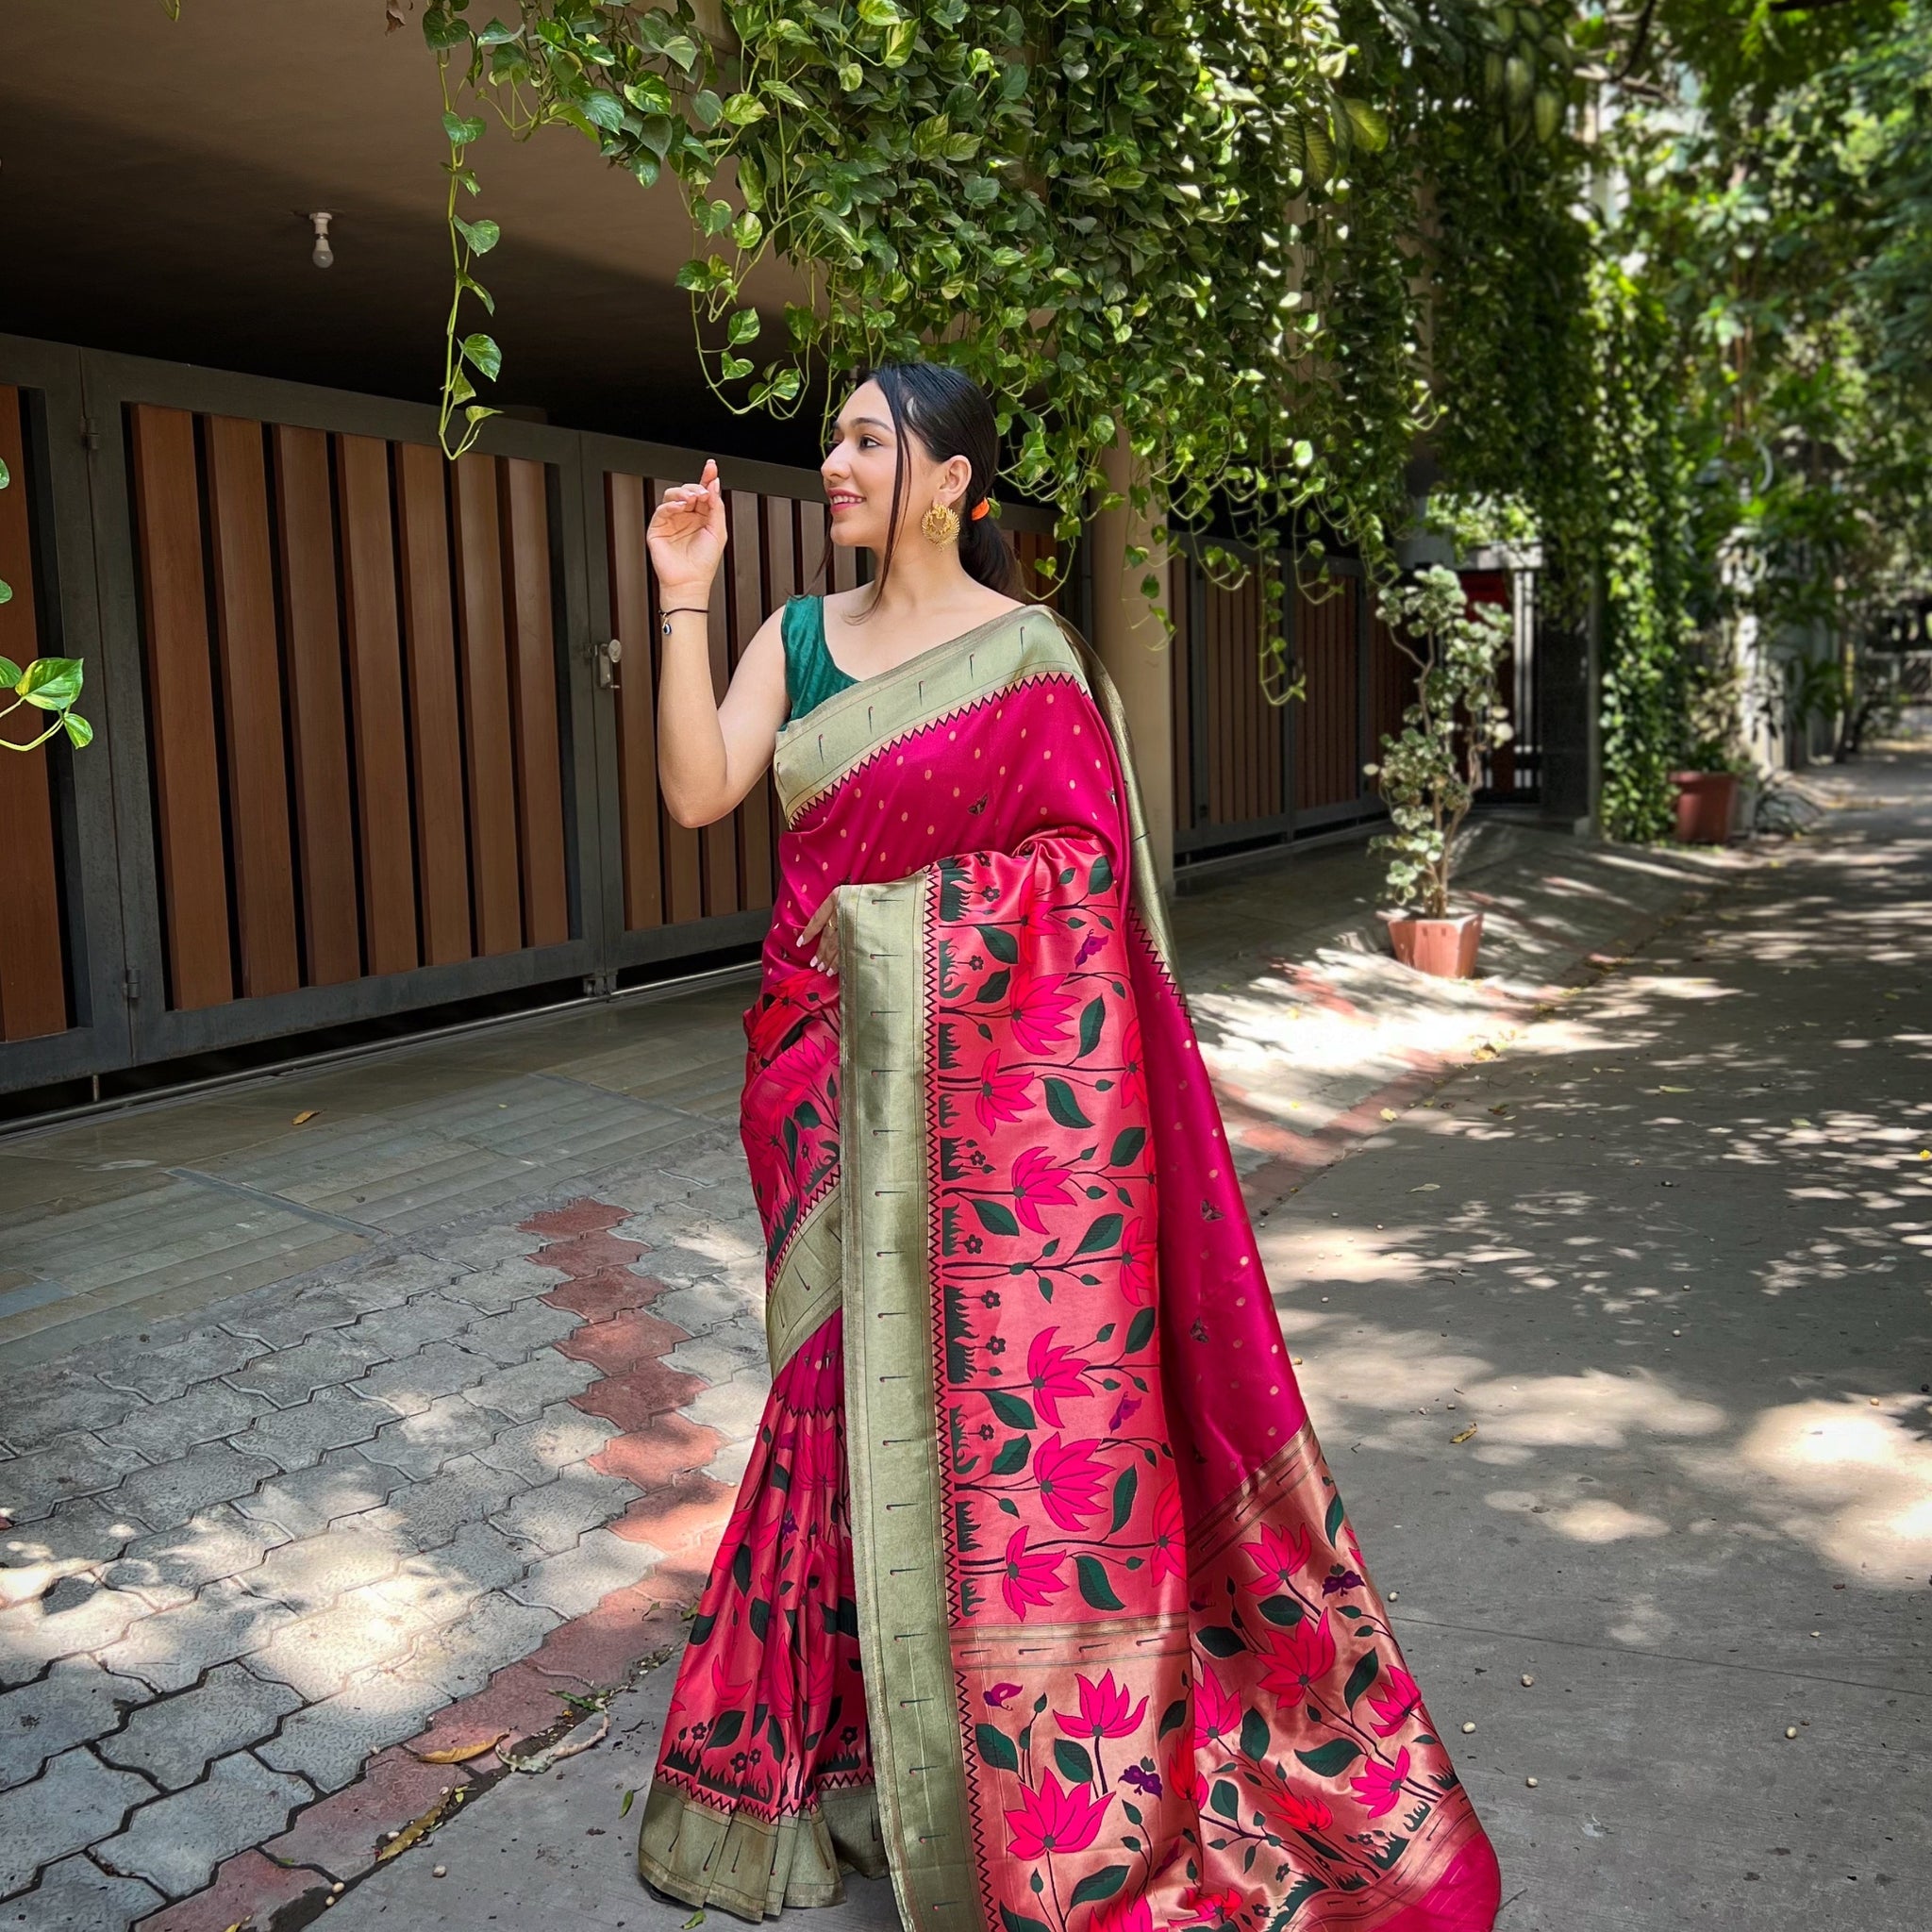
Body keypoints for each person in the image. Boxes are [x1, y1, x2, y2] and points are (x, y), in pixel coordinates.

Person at [636, 362, 1500, 1932]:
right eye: (830, 438)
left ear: (953, 481)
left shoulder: (1030, 662)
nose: (831, 462)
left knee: (947, 1403)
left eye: (865, 440)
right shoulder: (795, 639)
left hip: (980, 1102)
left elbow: (1084, 887)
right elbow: (702, 791)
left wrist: (909, 936)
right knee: (829, 1390)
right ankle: (844, 1750)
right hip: (817, 1072)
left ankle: (973, 1769)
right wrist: (685, 595)